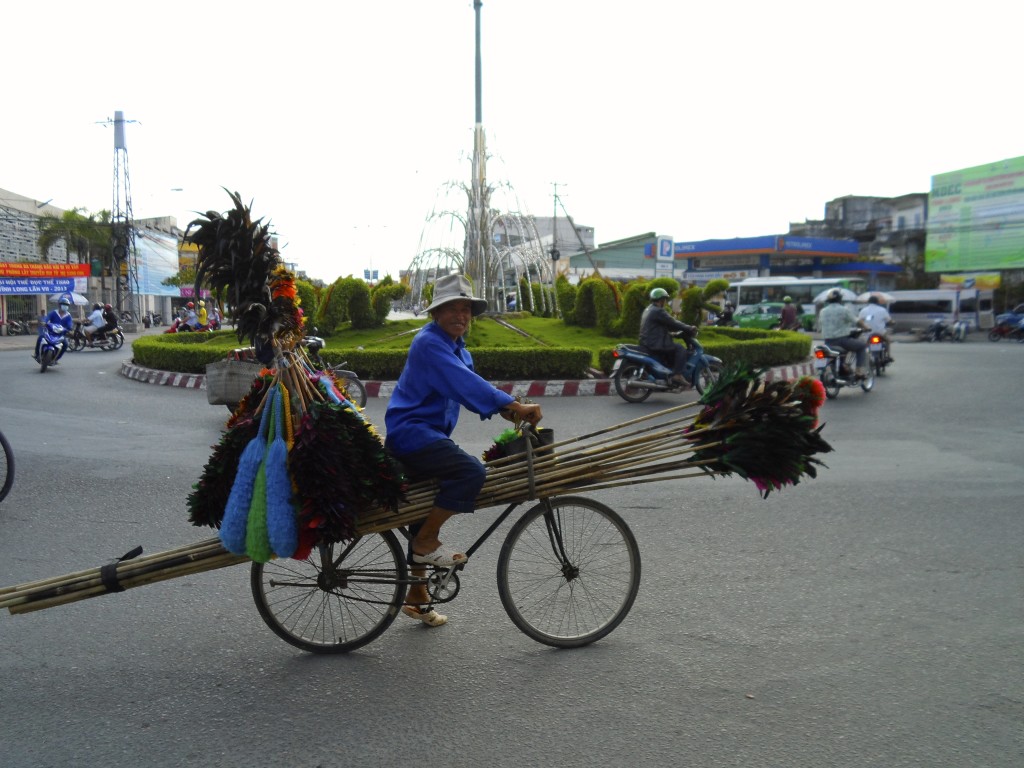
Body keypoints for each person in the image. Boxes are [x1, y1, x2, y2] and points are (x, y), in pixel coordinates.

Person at [384, 273, 542, 627]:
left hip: (426, 436)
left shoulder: (457, 349)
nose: (461, 315)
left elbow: (471, 391)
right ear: (436, 313)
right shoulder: (429, 344)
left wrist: (511, 409)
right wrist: (513, 406)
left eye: (466, 309)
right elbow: (464, 383)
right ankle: (427, 541)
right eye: (452, 308)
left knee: (421, 506)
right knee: (471, 472)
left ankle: (416, 594)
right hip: (412, 435)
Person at [639, 287, 698, 387]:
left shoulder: (648, 309)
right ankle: (678, 375)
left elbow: (661, 326)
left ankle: (669, 373)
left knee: (672, 349)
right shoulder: (658, 311)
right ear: (661, 300)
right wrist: (689, 328)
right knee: (680, 348)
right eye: (665, 300)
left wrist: (672, 334)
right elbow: (673, 322)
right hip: (655, 343)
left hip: (647, 341)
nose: (665, 302)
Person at [819, 288, 869, 379]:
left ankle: (844, 367)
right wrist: (866, 327)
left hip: (827, 342)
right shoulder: (844, 310)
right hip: (841, 340)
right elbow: (856, 321)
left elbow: (819, 326)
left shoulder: (822, 311)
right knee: (861, 346)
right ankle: (859, 372)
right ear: (840, 299)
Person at [34, 298, 74, 362]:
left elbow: (70, 324)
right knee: (40, 338)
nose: (65, 306)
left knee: (65, 344)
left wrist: (70, 328)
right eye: (63, 304)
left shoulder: (68, 316)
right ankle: (37, 354)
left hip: (60, 334)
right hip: (50, 332)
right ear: (59, 305)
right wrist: (44, 322)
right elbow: (47, 318)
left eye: (67, 305)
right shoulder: (53, 313)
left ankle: (56, 358)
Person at [857, 296, 894, 362]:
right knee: (888, 341)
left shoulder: (864, 310)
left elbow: (860, 321)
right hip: (880, 332)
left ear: (868, 302)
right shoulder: (882, 310)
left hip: (867, 333)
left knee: (863, 344)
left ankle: (865, 358)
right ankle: (888, 356)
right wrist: (893, 322)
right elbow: (889, 321)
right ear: (877, 302)